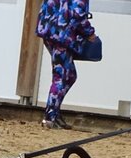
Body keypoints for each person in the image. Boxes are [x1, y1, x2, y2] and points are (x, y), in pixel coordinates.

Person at [36, 0, 96, 130]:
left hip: (50, 29)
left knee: (69, 75)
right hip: (61, 34)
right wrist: (90, 33)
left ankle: (54, 113)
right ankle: (49, 117)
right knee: (62, 76)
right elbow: (78, 13)